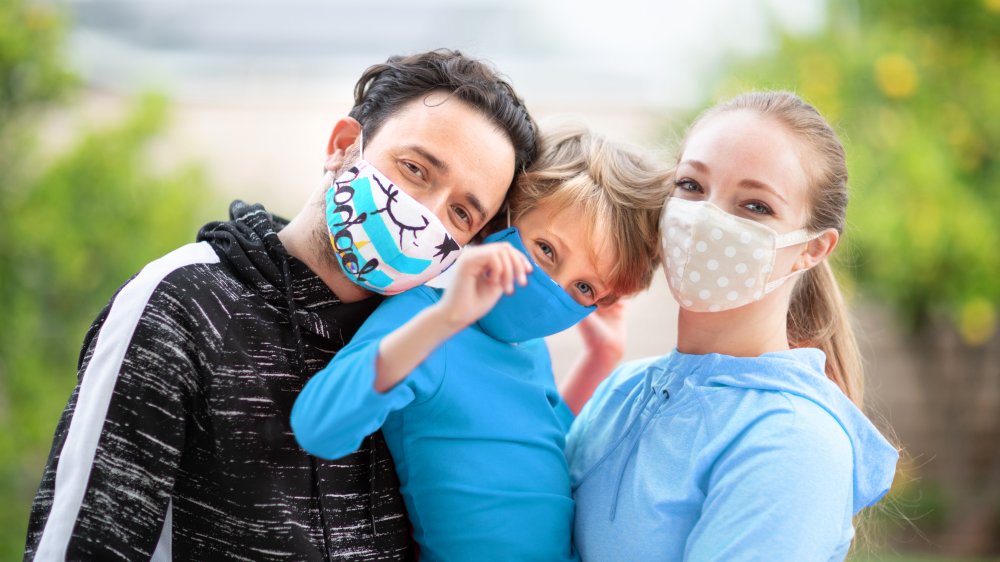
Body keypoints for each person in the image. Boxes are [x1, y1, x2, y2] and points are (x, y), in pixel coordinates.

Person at [24, 49, 538, 561]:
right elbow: (82, 542)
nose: (424, 216)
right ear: (343, 146)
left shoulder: (426, 351)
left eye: (462, 213)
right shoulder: (183, 302)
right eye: (415, 169)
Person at [290, 124, 672, 561]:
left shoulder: (528, 348)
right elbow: (320, 426)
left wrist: (597, 360)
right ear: (498, 223)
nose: (553, 288)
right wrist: (446, 318)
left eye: (585, 289)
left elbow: (538, 453)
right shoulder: (422, 316)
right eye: (546, 250)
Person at [565, 91, 899, 561]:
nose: (706, 217)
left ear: (813, 249)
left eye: (755, 206)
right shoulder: (622, 389)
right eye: (691, 186)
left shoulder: (793, 440)